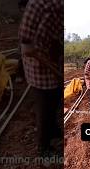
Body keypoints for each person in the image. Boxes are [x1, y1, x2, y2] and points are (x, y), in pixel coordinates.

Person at [19, 0, 62, 157]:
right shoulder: (38, 4)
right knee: (44, 106)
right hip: (37, 62)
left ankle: (52, 128)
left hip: (53, 57)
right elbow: (26, 44)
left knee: (55, 98)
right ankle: (43, 147)